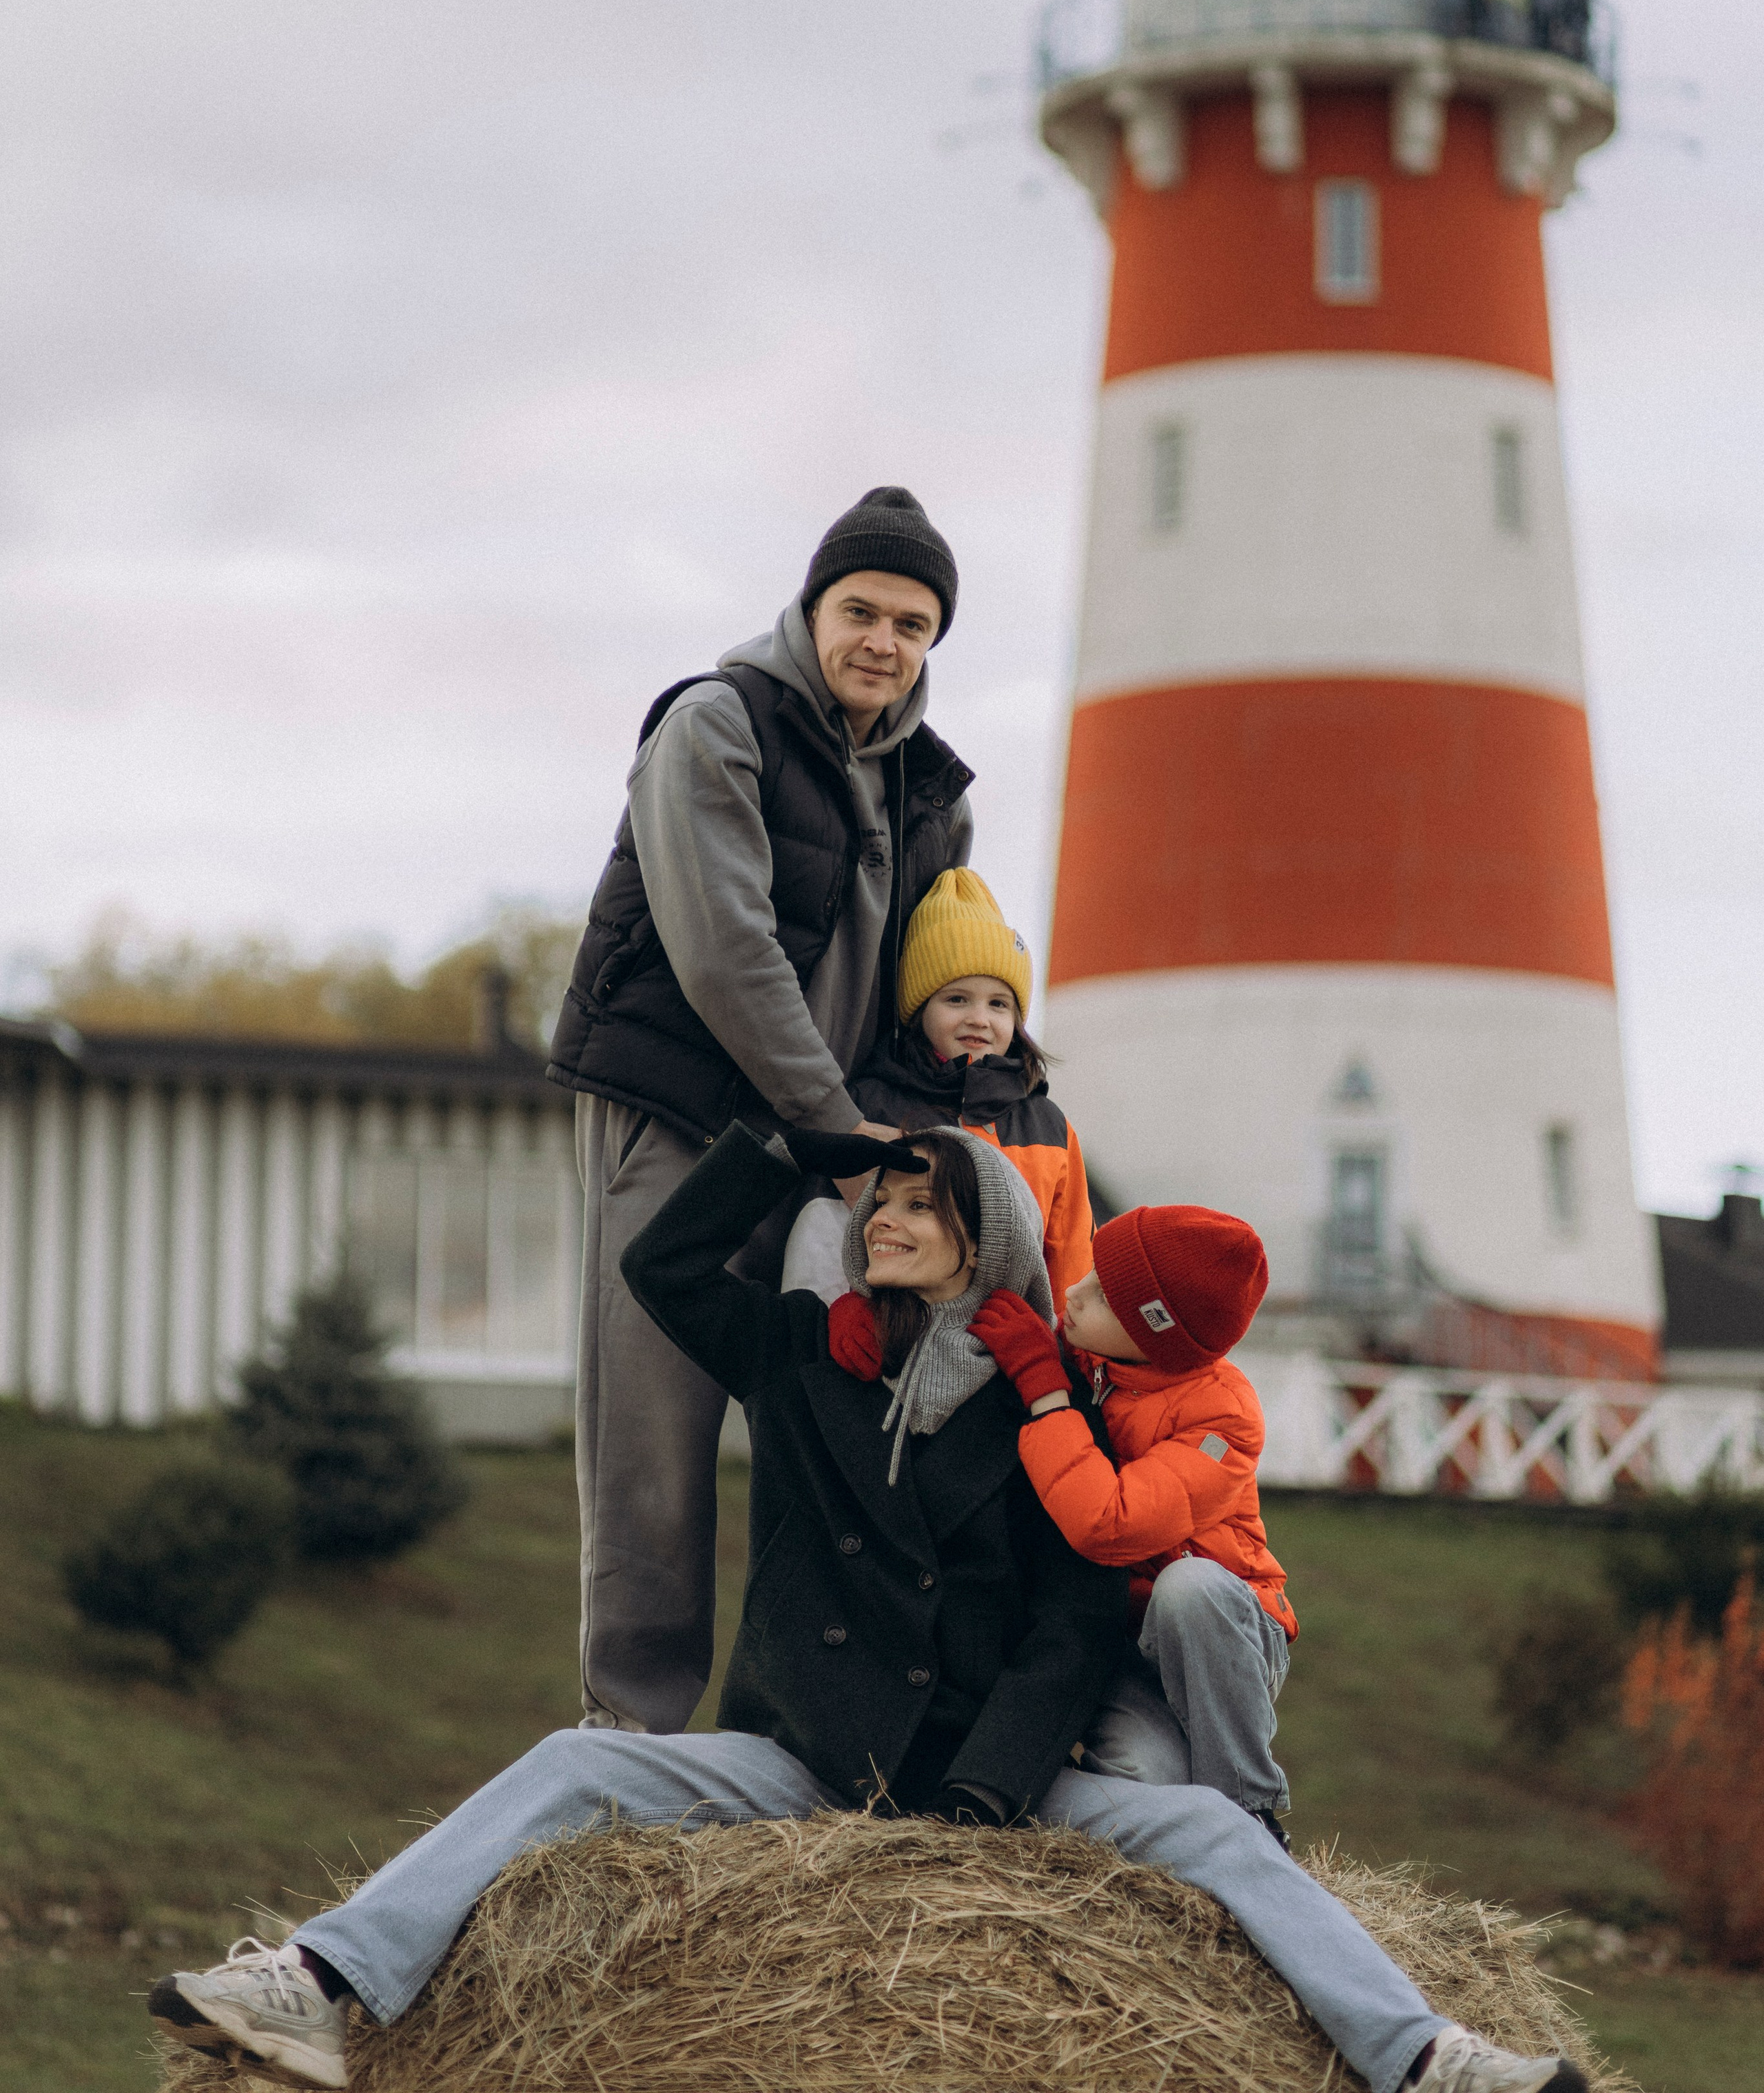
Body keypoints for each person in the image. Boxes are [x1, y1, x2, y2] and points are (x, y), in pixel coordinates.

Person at [151, 1126, 1586, 2093]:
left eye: (918, 1205)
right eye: (877, 1203)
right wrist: (789, 1149)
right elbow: (659, 1268)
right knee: (577, 1762)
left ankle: (1426, 2058)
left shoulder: (1050, 1411)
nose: (883, 1220)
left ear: (986, 1241)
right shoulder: (802, 1355)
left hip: (991, 1777)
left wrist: (986, 1790)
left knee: (1215, 1834)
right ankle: (316, 1980)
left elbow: (1075, 1625)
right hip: (808, 1753)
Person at [546, 484, 973, 1731]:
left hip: (836, 1153)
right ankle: (632, 1734)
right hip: (682, 1129)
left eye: (912, 623)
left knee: (832, 1438)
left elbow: (935, 990)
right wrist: (838, 1130)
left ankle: (801, 1736)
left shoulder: (935, 793)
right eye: (861, 611)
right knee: (654, 1449)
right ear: (812, 606)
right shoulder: (714, 725)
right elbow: (726, 951)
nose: (883, 642)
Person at [968, 1198, 1296, 1837]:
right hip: (1120, 1642)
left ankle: (1249, 1817)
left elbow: (1109, 1523)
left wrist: (1047, 1396)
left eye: (1103, 1296)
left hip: (1220, 1635)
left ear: (1156, 1336)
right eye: (1091, 1272)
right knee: (1141, 1791)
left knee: (1189, 1587)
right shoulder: (1086, 1356)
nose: (1073, 1292)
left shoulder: (1225, 1417)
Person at [782, 867, 1093, 1312]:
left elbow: (1072, 1262)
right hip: (893, 1336)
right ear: (920, 1008)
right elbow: (824, 1235)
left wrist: (1064, 1350)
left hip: (1011, 1344)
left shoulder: (1049, 1126)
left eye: (999, 1004)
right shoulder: (870, 1106)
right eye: (957, 999)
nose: (979, 1019)